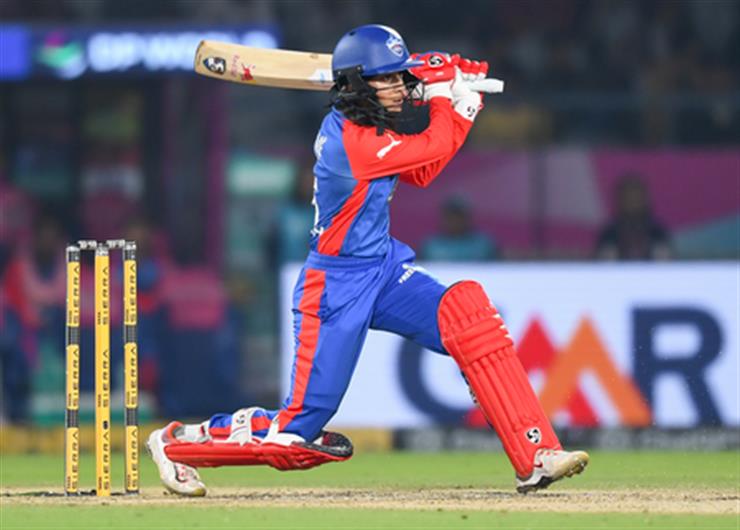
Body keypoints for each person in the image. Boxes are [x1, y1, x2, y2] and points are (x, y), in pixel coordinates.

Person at [147, 24, 588, 497]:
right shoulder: (353, 142)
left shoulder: (373, 129)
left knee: (469, 316)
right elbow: (434, 147)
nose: (400, 87)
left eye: (402, 77)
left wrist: (460, 104)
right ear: (359, 84)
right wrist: (446, 97)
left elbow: (422, 170)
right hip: (334, 287)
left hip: (383, 269)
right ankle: (177, 443)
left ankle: (535, 455)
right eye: (389, 79)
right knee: (296, 434)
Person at [595, 174, 672, 260]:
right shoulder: (609, 235)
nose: (633, 201)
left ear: (646, 199)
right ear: (620, 199)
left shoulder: (658, 233)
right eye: (628, 196)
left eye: (637, 197)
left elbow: (667, 263)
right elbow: (603, 264)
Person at [421, 194, 498, 261]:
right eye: (450, 216)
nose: (455, 221)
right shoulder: (431, 246)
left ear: (467, 217)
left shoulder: (483, 245)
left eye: (459, 216)